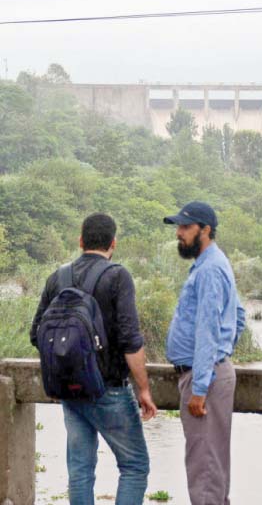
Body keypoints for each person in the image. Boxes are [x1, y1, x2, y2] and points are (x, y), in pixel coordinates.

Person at [30, 213, 156, 505]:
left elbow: (36, 334)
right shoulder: (117, 276)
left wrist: (65, 367)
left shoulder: (57, 277)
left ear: (80, 240)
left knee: (80, 470)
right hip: (108, 388)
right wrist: (144, 390)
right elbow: (130, 340)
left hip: (68, 392)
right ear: (113, 243)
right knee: (134, 466)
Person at [164, 201, 246, 505]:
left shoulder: (210, 269)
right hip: (210, 374)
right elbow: (238, 315)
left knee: (205, 472)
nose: (179, 234)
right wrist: (223, 354)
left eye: (186, 227)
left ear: (206, 230)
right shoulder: (212, 263)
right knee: (209, 467)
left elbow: (208, 329)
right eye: (179, 227)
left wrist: (200, 385)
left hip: (204, 380)